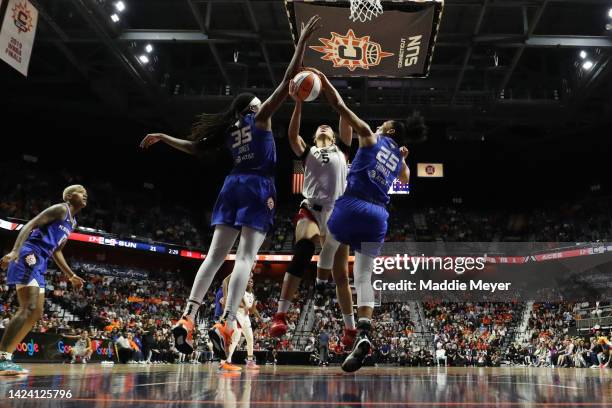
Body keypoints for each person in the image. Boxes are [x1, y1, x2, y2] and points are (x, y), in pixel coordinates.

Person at [139, 15, 321, 360]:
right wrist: (301, 45)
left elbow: (194, 148)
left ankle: (188, 316)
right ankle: (224, 321)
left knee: (214, 255)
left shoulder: (228, 129)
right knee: (247, 257)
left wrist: (164, 137)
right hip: (257, 187)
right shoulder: (262, 117)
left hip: (231, 185)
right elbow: (286, 82)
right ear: (253, 106)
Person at [311, 68, 426, 372]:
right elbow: (405, 177)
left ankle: (321, 288)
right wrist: (402, 157)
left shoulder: (369, 137)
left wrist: (324, 85)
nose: (379, 124)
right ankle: (363, 332)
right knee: (363, 277)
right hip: (378, 216)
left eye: (383, 123)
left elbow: (340, 108)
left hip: (354, 203)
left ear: (387, 131)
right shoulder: (395, 155)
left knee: (330, 242)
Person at [270, 79, 357, 347]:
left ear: (333, 136)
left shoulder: (342, 149)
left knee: (341, 275)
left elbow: (345, 119)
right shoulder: (308, 151)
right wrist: (298, 102)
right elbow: (291, 135)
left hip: (337, 213)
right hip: (311, 207)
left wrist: (335, 100)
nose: (324, 127)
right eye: (321, 127)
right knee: (304, 247)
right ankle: (281, 315)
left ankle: (350, 330)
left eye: (328, 127)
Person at [0, 185, 87, 375]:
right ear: (70, 196)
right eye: (81, 192)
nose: (85, 194)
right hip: (29, 253)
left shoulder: (72, 223)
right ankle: (2, 357)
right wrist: (15, 250)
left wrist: (71, 275)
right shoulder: (61, 209)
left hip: (42, 261)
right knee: (28, 307)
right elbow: (31, 224)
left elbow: (57, 250)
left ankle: (7, 358)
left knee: (36, 313)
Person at [225, 275, 261, 370]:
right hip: (237, 314)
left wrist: (260, 318)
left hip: (246, 317)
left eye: (252, 281)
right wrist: (243, 306)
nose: (250, 282)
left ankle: (250, 361)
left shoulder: (252, 294)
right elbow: (237, 302)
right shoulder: (241, 291)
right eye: (248, 281)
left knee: (250, 338)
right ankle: (227, 360)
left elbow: (253, 309)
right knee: (236, 337)